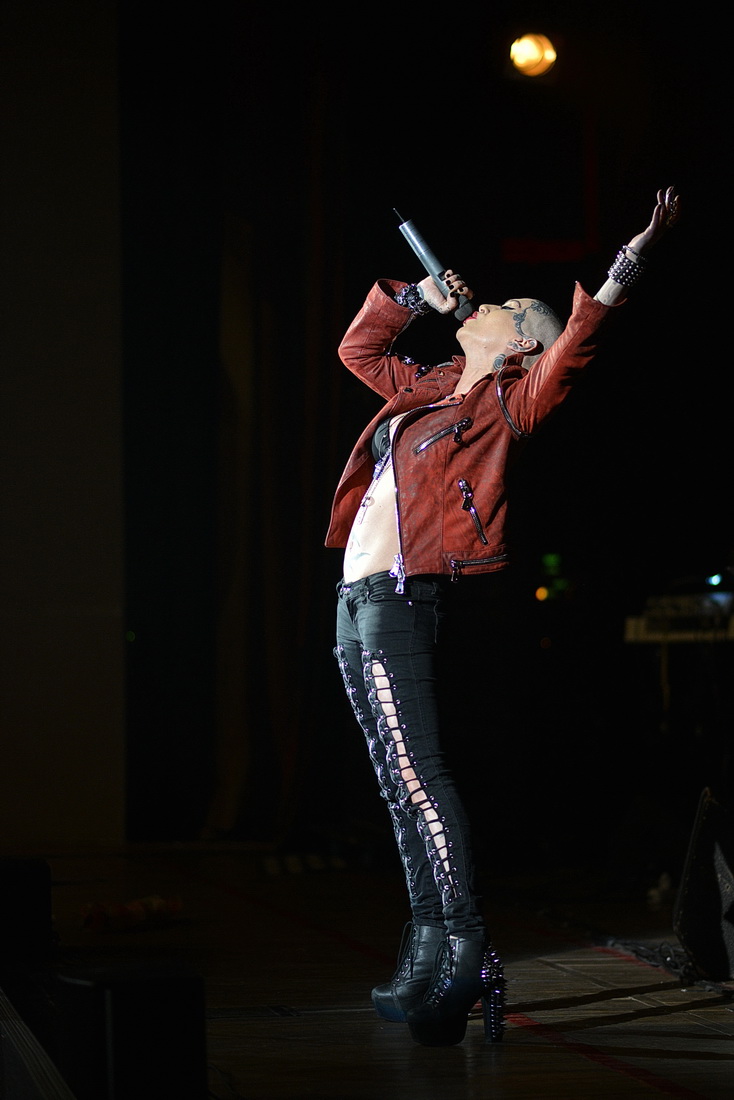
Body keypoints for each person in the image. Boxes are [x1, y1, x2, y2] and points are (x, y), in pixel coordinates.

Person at [326, 187, 680, 1047]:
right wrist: (418, 297)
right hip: (356, 598)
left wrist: (629, 262)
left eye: (505, 307)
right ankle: (426, 944)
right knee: (395, 782)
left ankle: (466, 947)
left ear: (522, 342)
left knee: (420, 776)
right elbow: (358, 348)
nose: (483, 304)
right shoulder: (432, 386)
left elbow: (577, 345)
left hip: (401, 598)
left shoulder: (507, 405)